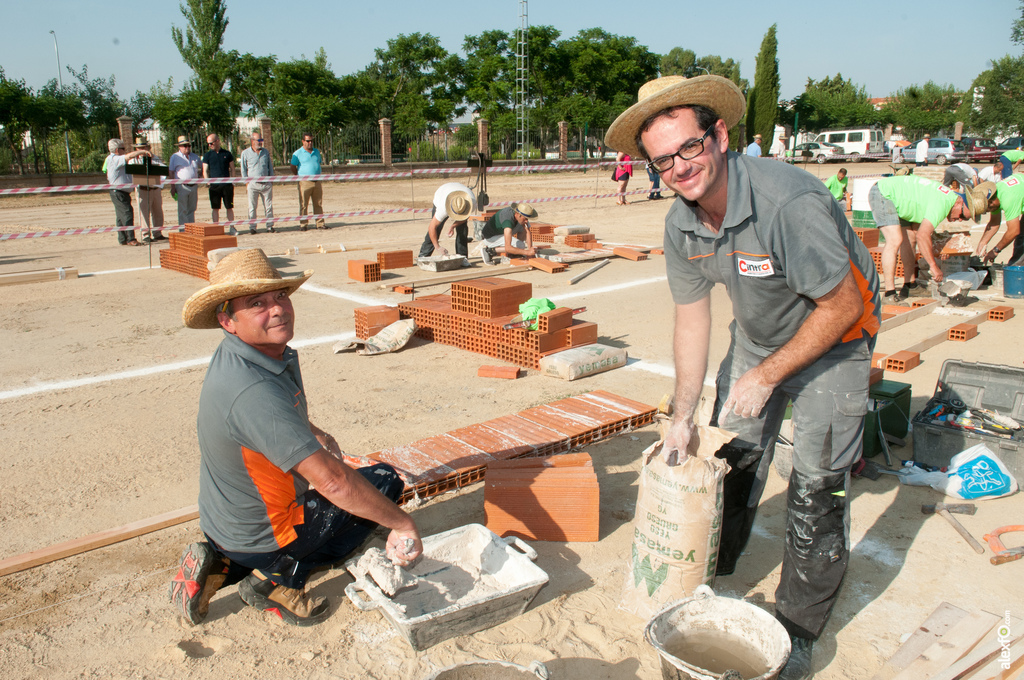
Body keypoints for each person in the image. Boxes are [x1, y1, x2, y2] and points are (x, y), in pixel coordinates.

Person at [605, 74, 882, 680]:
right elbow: (691, 321)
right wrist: (683, 415)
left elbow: (842, 307)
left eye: (690, 147)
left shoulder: (788, 204)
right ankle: (715, 564)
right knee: (729, 448)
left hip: (836, 337)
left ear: (720, 135)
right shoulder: (681, 224)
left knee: (816, 478)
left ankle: (800, 627)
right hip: (759, 337)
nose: (680, 168)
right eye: (662, 161)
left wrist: (768, 377)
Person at [170, 248, 422, 627]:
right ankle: (274, 578)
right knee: (383, 483)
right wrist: (403, 524)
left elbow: (268, 421)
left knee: (348, 488)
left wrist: (310, 430)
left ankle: (222, 563)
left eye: (281, 296)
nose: (277, 309)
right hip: (261, 534)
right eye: (257, 303)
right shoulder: (252, 392)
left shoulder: (242, 356)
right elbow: (334, 482)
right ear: (227, 319)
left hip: (226, 523)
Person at [869, 175, 979, 302]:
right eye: (962, 215)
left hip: (902, 198)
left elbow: (920, 232)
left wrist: (937, 251)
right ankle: (889, 294)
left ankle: (909, 286)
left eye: (964, 218)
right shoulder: (943, 203)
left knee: (911, 238)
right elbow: (923, 235)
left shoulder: (948, 199)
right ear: (959, 202)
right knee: (895, 239)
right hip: (884, 193)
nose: (959, 219)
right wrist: (933, 266)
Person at [106, 138, 151, 247]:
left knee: (121, 216)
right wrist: (143, 152)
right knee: (127, 213)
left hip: (122, 192)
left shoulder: (115, 159)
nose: (125, 151)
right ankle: (130, 238)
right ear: (117, 150)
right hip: (118, 192)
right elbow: (129, 156)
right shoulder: (114, 158)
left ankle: (122, 238)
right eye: (123, 149)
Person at [418, 182, 476, 264]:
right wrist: (437, 247)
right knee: (437, 228)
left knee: (462, 229)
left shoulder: (471, 203)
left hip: (458, 191)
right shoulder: (442, 208)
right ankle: (423, 256)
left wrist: (453, 226)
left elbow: (464, 218)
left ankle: (462, 257)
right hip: (442, 193)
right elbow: (432, 227)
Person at [974, 178, 1024, 265]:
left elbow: (1014, 231)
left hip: (1015, 194)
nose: (989, 212)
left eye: (988, 210)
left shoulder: (1008, 199)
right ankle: (1017, 267)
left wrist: (996, 250)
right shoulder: (994, 194)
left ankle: (1017, 271)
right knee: (1021, 238)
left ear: (991, 203)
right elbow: (994, 223)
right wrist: (983, 242)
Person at [128, 138, 166, 243]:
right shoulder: (133, 160)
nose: (142, 150)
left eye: (144, 147)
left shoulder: (154, 158)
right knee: (144, 213)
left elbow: (163, 170)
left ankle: (158, 233)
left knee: (158, 212)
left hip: (155, 188)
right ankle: (145, 235)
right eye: (140, 148)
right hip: (142, 189)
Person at [239, 130, 275, 234]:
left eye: (261, 140)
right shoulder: (245, 153)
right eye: (258, 140)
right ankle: (253, 227)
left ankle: (269, 226)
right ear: (252, 141)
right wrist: (247, 183)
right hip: (253, 184)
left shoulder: (265, 152)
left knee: (268, 207)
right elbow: (243, 170)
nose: (260, 142)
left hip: (266, 184)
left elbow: (269, 167)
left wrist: (271, 180)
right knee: (252, 207)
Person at [290, 134, 327, 230]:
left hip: (317, 181)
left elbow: (318, 163)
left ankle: (320, 223)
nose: (310, 143)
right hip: (305, 182)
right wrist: (299, 176)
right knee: (304, 204)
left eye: (311, 141)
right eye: (307, 141)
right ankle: (303, 224)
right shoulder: (297, 153)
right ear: (303, 141)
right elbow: (292, 167)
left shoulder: (316, 152)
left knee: (318, 203)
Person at [203, 133, 235, 230]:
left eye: (211, 143)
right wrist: (208, 182)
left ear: (217, 141)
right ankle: (216, 228)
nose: (209, 145)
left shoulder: (227, 154)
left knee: (229, 207)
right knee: (215, 208)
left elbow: (232, 168)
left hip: (227, 185)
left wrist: (233, 181)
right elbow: (205, 170)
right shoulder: (207, 155)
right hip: (214, 186)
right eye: (208, 144)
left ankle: (232, 227)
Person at [168, 136, 201, 226]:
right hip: (182, 186)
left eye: (188, 145)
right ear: (179, 147)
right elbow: (171, 171)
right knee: (183, 210)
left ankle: (191, 228)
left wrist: (201, 175)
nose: (187, 148)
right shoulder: (175, 157)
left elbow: (203, 166)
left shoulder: (195, 156)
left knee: (192, 209)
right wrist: (172, 187)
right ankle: (183, 230)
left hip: (193, 186)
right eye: (184, 146)